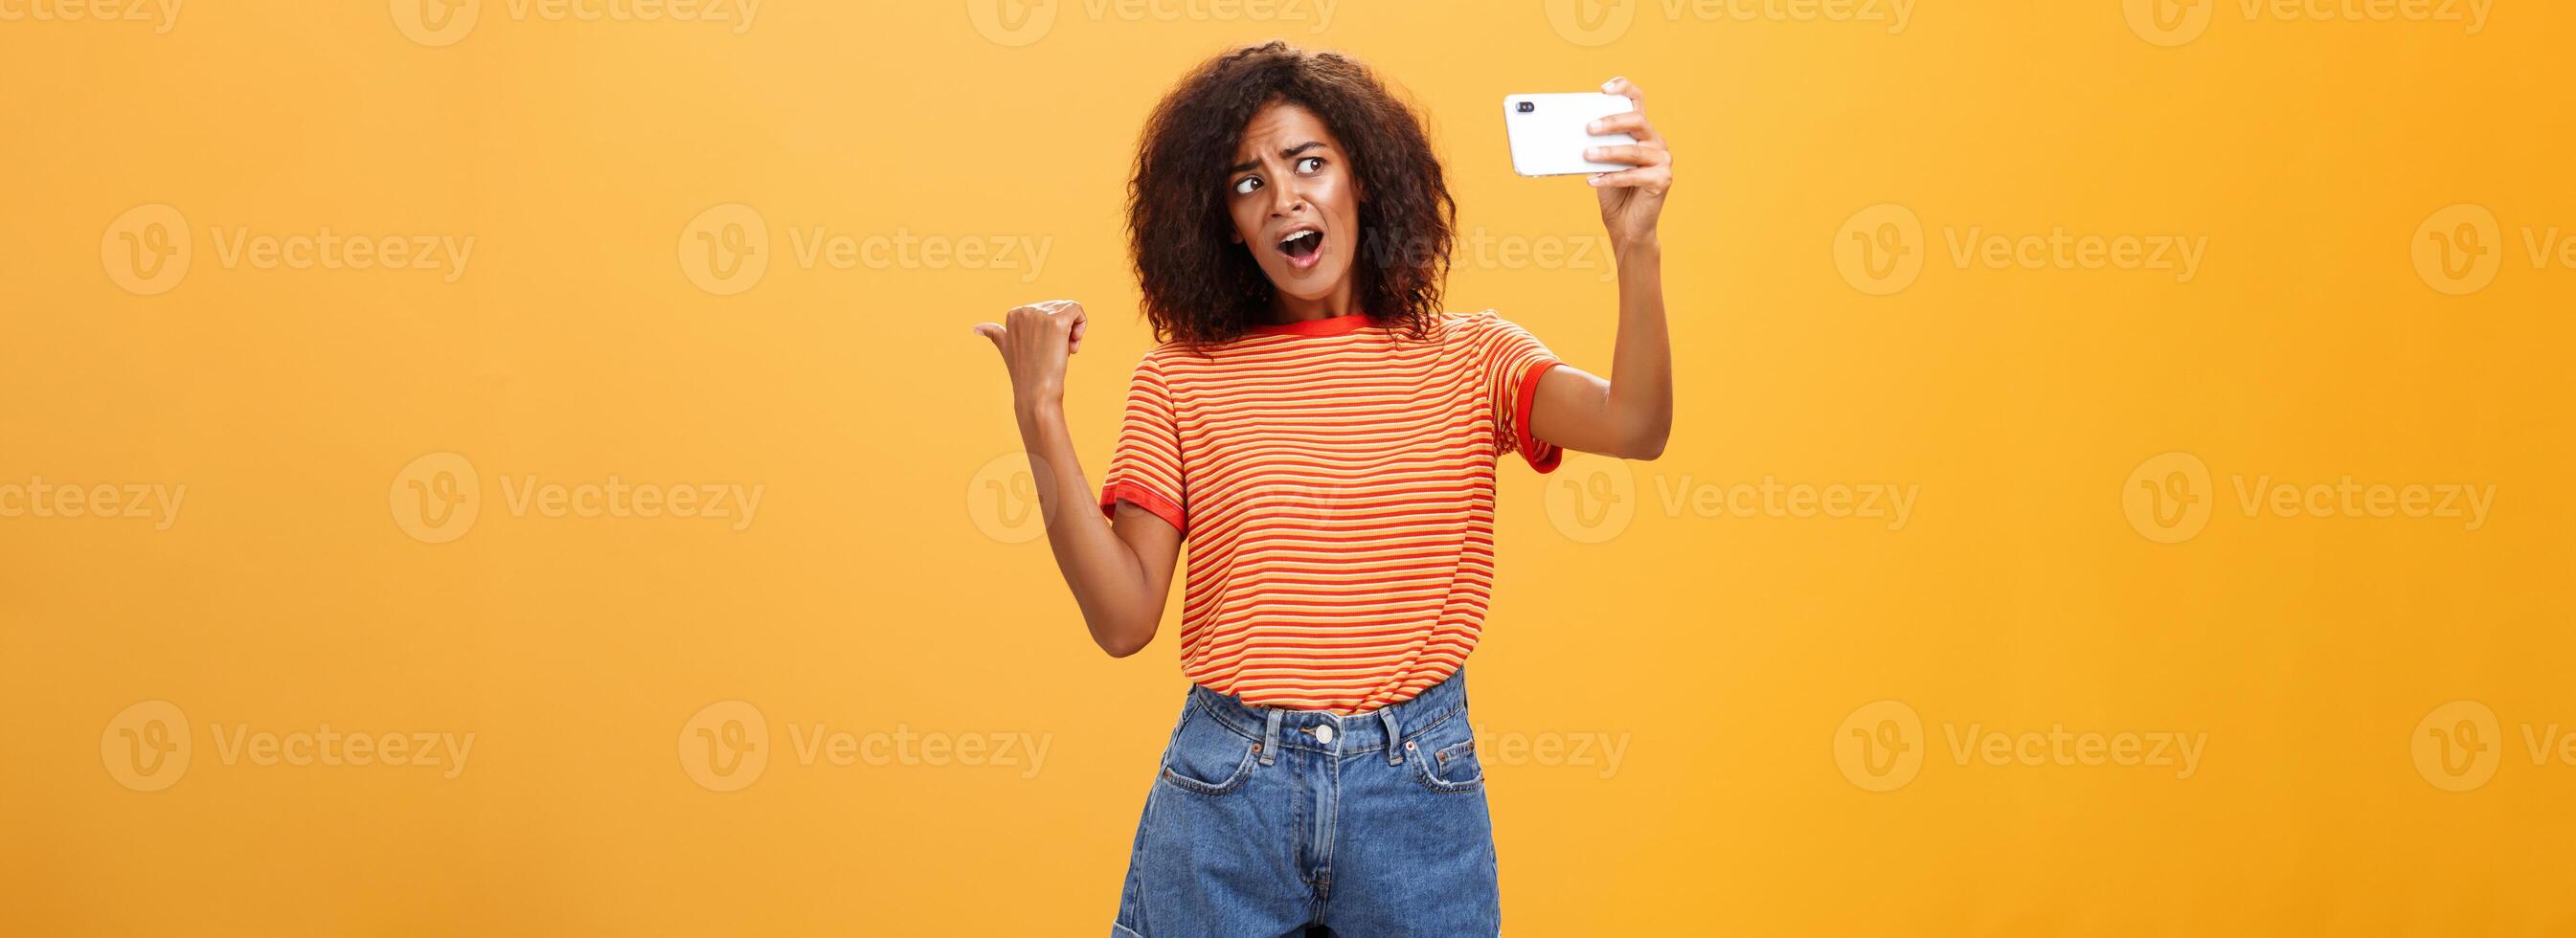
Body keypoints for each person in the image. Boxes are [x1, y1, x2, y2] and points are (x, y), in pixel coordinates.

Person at [972, 40, 1673, 937]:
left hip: (1417, 792)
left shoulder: (1474, 359)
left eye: (1309, 163)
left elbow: (1636, 428)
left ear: (1365, 180)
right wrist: (1039, 411)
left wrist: (1637, 246)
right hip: (1228, 795)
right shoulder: (1181, 380)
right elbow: (1122, 620)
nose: (1284, 197)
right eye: (1248, 182)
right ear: (1224, 219)